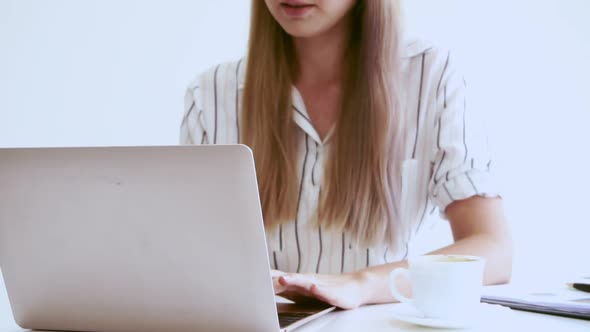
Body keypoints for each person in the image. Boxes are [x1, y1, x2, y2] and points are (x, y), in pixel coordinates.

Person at [180, 0, 512, 310]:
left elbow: (494, 252)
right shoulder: (210, 96)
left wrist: (359, 284)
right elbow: (188, 259)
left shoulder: (431, 76)